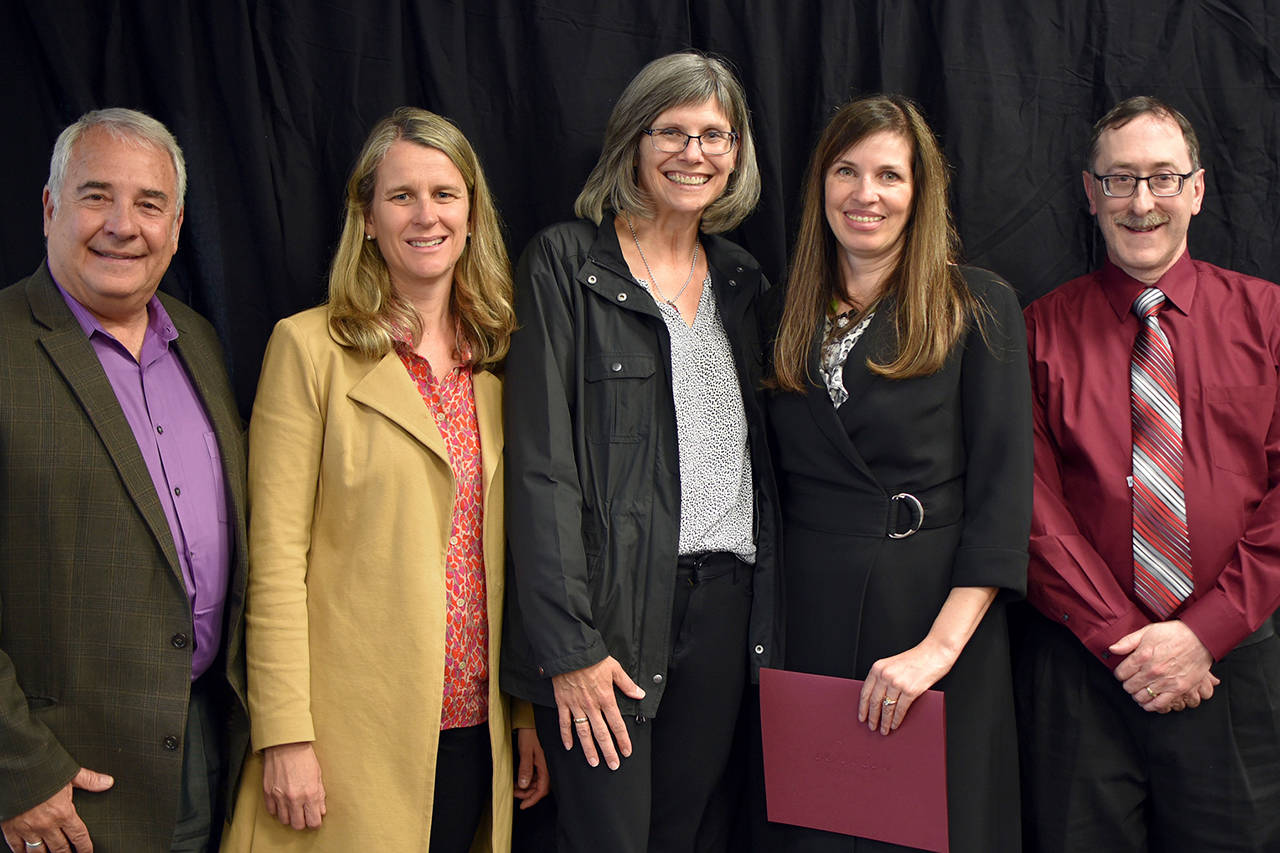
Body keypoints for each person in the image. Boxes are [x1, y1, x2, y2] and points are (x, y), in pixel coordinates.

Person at [219, 107, 547, 852]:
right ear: (367, 217)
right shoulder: (308, 350)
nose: (425, 215)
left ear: (471, 213)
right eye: (401, 195)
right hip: (345, 739)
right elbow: (272, 563)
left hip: (474, 728)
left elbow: (517, 556)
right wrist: (284, 733)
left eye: (445, 193)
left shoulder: (501, 362)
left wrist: (521, 717)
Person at [500, 52, 779, 852]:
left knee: (681, 833)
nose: (695, 153)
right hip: (611, 612)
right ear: (633, 141)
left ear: (736, 153)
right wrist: (570, 647)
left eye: (715, 135)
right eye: (674, 132)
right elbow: (540, 468)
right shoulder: (565, 264)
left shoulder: (740, 279)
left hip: (725, 605)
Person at [760, 95, 1032, 852]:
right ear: (821, 185)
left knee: (929, 830)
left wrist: (936, 652)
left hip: (934, 625)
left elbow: (1004, 500)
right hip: (808, 626)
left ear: (920, 192)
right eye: (846, 171)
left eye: (889, 174)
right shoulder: (784, 313)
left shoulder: (977, 305)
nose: (865, 194)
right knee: (818, 830)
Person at [1019, 96, 1280, 850]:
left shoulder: (1267, 319)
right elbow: (1032, 511)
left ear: (1197, 189)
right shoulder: (1037, 330)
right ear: (1089, 190)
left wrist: (1202, 635)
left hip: (1232, 666)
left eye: (1163, 178)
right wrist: (1129, 643)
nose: (1142, 202)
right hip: (1083, 676)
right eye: (1121, 179)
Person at [0, 108, 249, 852]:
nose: (122, 225)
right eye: (95, 195)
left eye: (148, 204)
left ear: (176, 227)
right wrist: (17, 771)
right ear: (49, 208)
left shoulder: (196, 340)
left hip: (202, 746)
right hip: (64, 785)